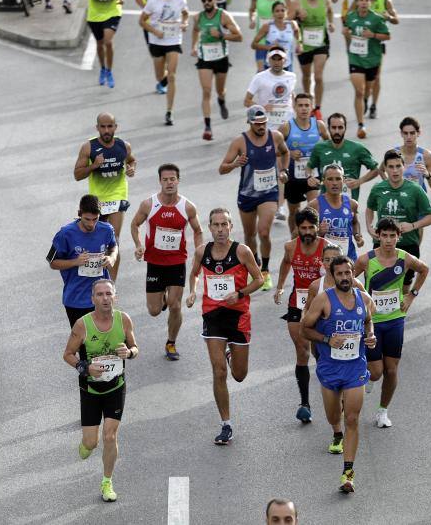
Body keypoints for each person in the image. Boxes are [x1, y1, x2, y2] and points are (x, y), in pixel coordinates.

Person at [186, 208, 264, 444]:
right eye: (215, 225)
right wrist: (192, 292)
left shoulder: (242, 251)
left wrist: (240, 293)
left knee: (239, 375)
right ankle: (226, 424)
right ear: (210, 228)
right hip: (213, 316)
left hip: (238, 316)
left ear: (230, 227)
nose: (220, 229)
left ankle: (232, 355)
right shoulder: (202, 251)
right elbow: (194, 274)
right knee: (219, 372)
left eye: (224, 225)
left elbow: (259, 279)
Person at [301, 256, 377, 493]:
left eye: (349, 273)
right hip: (330, 369)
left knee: (352, 419)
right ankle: (336, 430)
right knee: (334, 416)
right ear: (333, 276)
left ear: (354, 273)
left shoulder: (364, 299)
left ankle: (348, 473)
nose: (345, 278)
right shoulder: (324, 300)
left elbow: (368, 321)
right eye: (340, 274)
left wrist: (370, 336)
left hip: (355, 367)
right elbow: (305, 328)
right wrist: (326, 339)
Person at [62, 279, 138, 503]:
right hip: (90, 390)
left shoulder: (123, 320)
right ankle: (86, 444)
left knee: (110, 435)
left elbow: (135, 347)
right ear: (92, 299)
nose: (105, 298)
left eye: (109, 294)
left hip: (115, 386)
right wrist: (85, 367)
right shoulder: (82, 325)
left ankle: (107, 481)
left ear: (115, 296)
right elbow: (67, 354)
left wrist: (129, 353)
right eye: (100, 295)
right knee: (91, 443)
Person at [354, 216, 428, 428]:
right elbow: (348, 279)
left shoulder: (404, 258)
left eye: (392, 236)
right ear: (377, 236)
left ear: (399, 237)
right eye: (384, 235)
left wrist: (411, 295)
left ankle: (382, 411)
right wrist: (360, 302)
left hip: (395, 319)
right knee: (376, 372)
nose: (388, 240)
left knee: (392, 370)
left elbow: (424, 269)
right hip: (372, 322)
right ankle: (368, 379)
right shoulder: (366, 260)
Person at [129, 163, 203, 361]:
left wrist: (199, 251)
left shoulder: (187, 207)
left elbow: (198, 231)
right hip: (154, 261)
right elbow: (135, 224)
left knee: (176, 306)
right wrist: (138, 245)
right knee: (154, 311)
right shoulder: (149, 204)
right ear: (160, 181)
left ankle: (171, 343)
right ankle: (161, 299)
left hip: (177, 261)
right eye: (165, 179)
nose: (169, 183)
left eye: (173, 179)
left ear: (178, 180)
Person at [219, 105, 290, 291]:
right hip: (247, 195)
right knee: (250, 236)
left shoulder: (275, 137)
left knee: (264, 231)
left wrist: (283, 170)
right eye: (257, 124)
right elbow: (222, 168)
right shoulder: (239, 142)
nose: (261, 127)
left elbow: (285, 152)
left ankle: (265, 271)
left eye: (264, 123)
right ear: (250, 123)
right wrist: (235, 164)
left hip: (269, 193)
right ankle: (256, 263)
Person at [274, 207, 327, 422]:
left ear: (317, 228)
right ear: (297, 228)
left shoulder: (326, 248)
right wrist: (279, 287)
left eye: (311, 228)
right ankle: (305, 403)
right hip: (297, 304)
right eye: (303, 228)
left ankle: (332, 389)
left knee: (319, 352)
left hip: (321, 305)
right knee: (302, 350)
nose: (307, 232)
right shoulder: (290, 247)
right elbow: (286, 263)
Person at [73, 113, 136, 281]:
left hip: (117, 197)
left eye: (110, 126)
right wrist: (94, 165)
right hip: (97, 201)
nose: (107, 130)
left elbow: (131, 160)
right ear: (97, 128)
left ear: (116, 127)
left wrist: (131, 168)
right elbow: (77, 175)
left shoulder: (124, 146)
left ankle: (111, 285)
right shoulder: (88, 147)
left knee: (113, 240)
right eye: (103, 127)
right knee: (95, 238)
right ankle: (93, 275)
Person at [365, 150, 431, 293]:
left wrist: (413, 225)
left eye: (398, 166)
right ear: (385, 168)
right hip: (382, 243)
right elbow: (369, 209)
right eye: (391, 167)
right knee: (377, 282)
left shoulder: (415, 190)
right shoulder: (378, 189)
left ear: (404, 167)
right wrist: (369, 227)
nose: (395, 170)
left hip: (408, 245)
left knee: (404, 286)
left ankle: (400, 311)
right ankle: (378, 313)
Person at [47, 194, 119, 327]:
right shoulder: (65, 234)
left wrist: (112, 257)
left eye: (95, 219)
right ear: (79, 214)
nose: (91, 224)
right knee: (83, 344)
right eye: (87, 219)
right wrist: (75, 262)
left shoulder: (106, 230)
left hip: (102, 298)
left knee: (104, 340)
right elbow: (52, 262)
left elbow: (114, 246)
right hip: (76, 299)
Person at [245, 46, 298, 222]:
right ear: (269, 60)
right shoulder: (260, 78)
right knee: (273, 167)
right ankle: (271, 203)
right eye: (273, 59)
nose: (277, 62)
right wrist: (260, 108)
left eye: (280, 58)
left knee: (284, 166)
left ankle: (281, 205)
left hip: (288, 128)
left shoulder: (291, 77)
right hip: (267, 129)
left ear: (286, 60)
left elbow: (291, 97)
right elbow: (247, 101)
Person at [191, 0, 243, 141]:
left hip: (221, 58)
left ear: (215, 0)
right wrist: (194, 46)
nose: (206, 2)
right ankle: (207, 127)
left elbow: (239, 36)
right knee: (206, 91)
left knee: (220, 90)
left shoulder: (223, 16)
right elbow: (195, 30)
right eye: (203, 0)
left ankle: (221, 100)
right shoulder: (198, 17)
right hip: (204, 58)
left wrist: (221, 35)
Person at [278, 93, 330, 234]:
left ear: (312, 107)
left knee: (313, 209)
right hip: (293, 177)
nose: (304, 109)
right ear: (294, 107)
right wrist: (289, 152)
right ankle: (293, 239)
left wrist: (319, 155)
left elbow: (329, 145)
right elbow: (274, 148)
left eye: (307, 105)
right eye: (300, 105)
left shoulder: (319, 126)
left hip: (312, 175)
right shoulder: (286, 127)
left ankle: (311, 238)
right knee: (294, 211)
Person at [342, 0, 389, 139]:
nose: (363, 3)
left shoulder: (376, 19)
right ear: (357, 2)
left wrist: (373, 35)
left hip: (372, 60)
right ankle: (361, 125)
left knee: (368, 88)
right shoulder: (350, 17)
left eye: (366, 0)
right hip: (355, 59)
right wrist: (346, 34)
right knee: (359, 91)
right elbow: (348, 35)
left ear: (370, 2)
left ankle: (366, 101)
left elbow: (387, 36)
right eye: (361, 0)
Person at [140, 0, 190, 125]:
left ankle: (169, 111)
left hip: (173, 40)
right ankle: (161, 81)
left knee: (172, 75)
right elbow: (142, 21)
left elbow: (185, 14)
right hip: (157, 42)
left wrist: (185, 23)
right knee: (160, 76)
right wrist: (155, 31)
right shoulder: (153, 1)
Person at [306, 113, 380, 202]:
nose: (337, 131)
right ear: (328, 128)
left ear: (345, 128)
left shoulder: (357, 148)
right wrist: (310, 177)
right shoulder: (319, 148)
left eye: (340, 127)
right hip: (325, 202)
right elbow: (309, 167)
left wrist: (359, 181)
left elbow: (375, 170)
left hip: (348, 202)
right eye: (333, 127)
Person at [292, 0, 335, 120]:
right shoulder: (297, 3)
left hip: (321, 44)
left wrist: (331, 23)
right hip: (304, 45)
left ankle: (317, 108)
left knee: (318, 76)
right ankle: (308, 103)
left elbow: (330, 12)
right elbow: (287, 20)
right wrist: (298, 17)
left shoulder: (326, 1)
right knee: (306, 76)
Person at [308, 164, 364, 261]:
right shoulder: (314, 205)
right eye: (330, 179)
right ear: (324, 181)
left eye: (338, 179)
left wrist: (357, 235)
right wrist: (318, 232)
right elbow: (304, 233)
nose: (334, 183)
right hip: (324, 259)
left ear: (343, 180)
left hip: (348, 257)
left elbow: (355, 222)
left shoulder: (352, 204)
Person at [364, 0, 398, 119]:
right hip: (361, 44)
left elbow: (396, 20)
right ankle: (365, 98)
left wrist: (388, 17)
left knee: (376, 77)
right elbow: (347, 17)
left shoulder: (385, 1)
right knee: (364, 77)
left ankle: (373, 105)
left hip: (378, 43)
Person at [79, 0, 124, 88]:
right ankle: (103, 68)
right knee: (99, 44)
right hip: (95, 16)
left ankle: (109, 71)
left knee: (108, 42)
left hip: (113, 13)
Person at [390, 116, 431, 193]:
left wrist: (428, 176)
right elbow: (381, 170)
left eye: (412, 133)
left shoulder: (426, 156)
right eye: (405, 133)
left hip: (418, 201)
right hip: (398, 200)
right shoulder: (393, 153)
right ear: (401, 134)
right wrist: (390, 185)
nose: (409, 137)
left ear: (418, 133)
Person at [251, 1, 300, 73]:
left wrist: (299, 44)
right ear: (273, 13)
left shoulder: (292, 24)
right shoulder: (267, 26)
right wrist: (269, 47)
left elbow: (297, 33)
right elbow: (253, 45)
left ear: (286, 12)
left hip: (287, 64)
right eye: (277, 11)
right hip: (270, 66)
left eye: (282, 10)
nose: (280, 13)